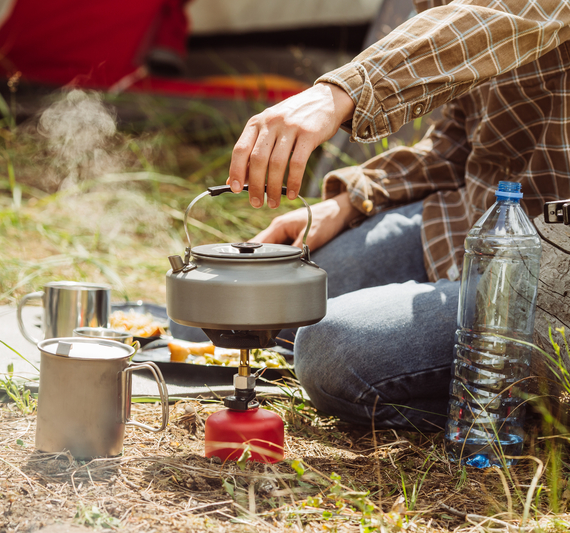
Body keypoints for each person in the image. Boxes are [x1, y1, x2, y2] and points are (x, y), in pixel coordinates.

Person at [227, 0, 570, 431]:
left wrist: (338, 93)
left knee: (327, 350)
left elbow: (495, 17)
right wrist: (348, 201)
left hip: (553, 272)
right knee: (289, 297)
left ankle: (515, 411)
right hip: (472, 226)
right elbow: (455, 143)